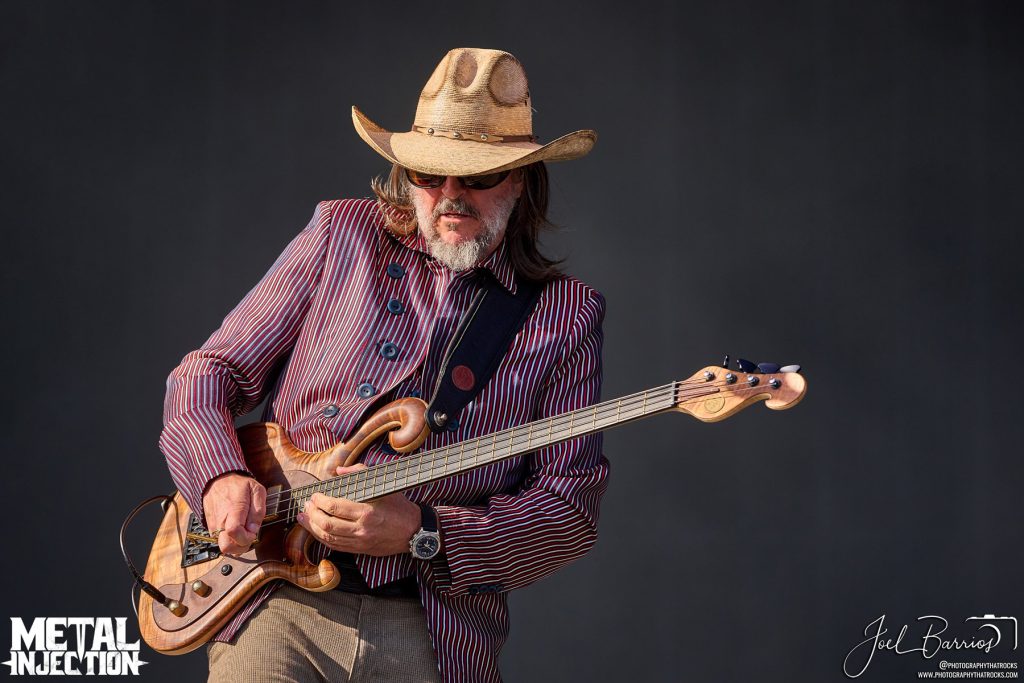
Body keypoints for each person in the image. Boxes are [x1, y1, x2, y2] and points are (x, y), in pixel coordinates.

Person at [159, 47, 609, 683]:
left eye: (476, 178)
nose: (450, 196)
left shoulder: (566, 313)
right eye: (430, 174)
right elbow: (207, 374)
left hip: (434, 632)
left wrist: (424, 532)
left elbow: (569, 511)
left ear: (521, 180)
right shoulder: (340, 234)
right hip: (274, 604)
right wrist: (218, 477)